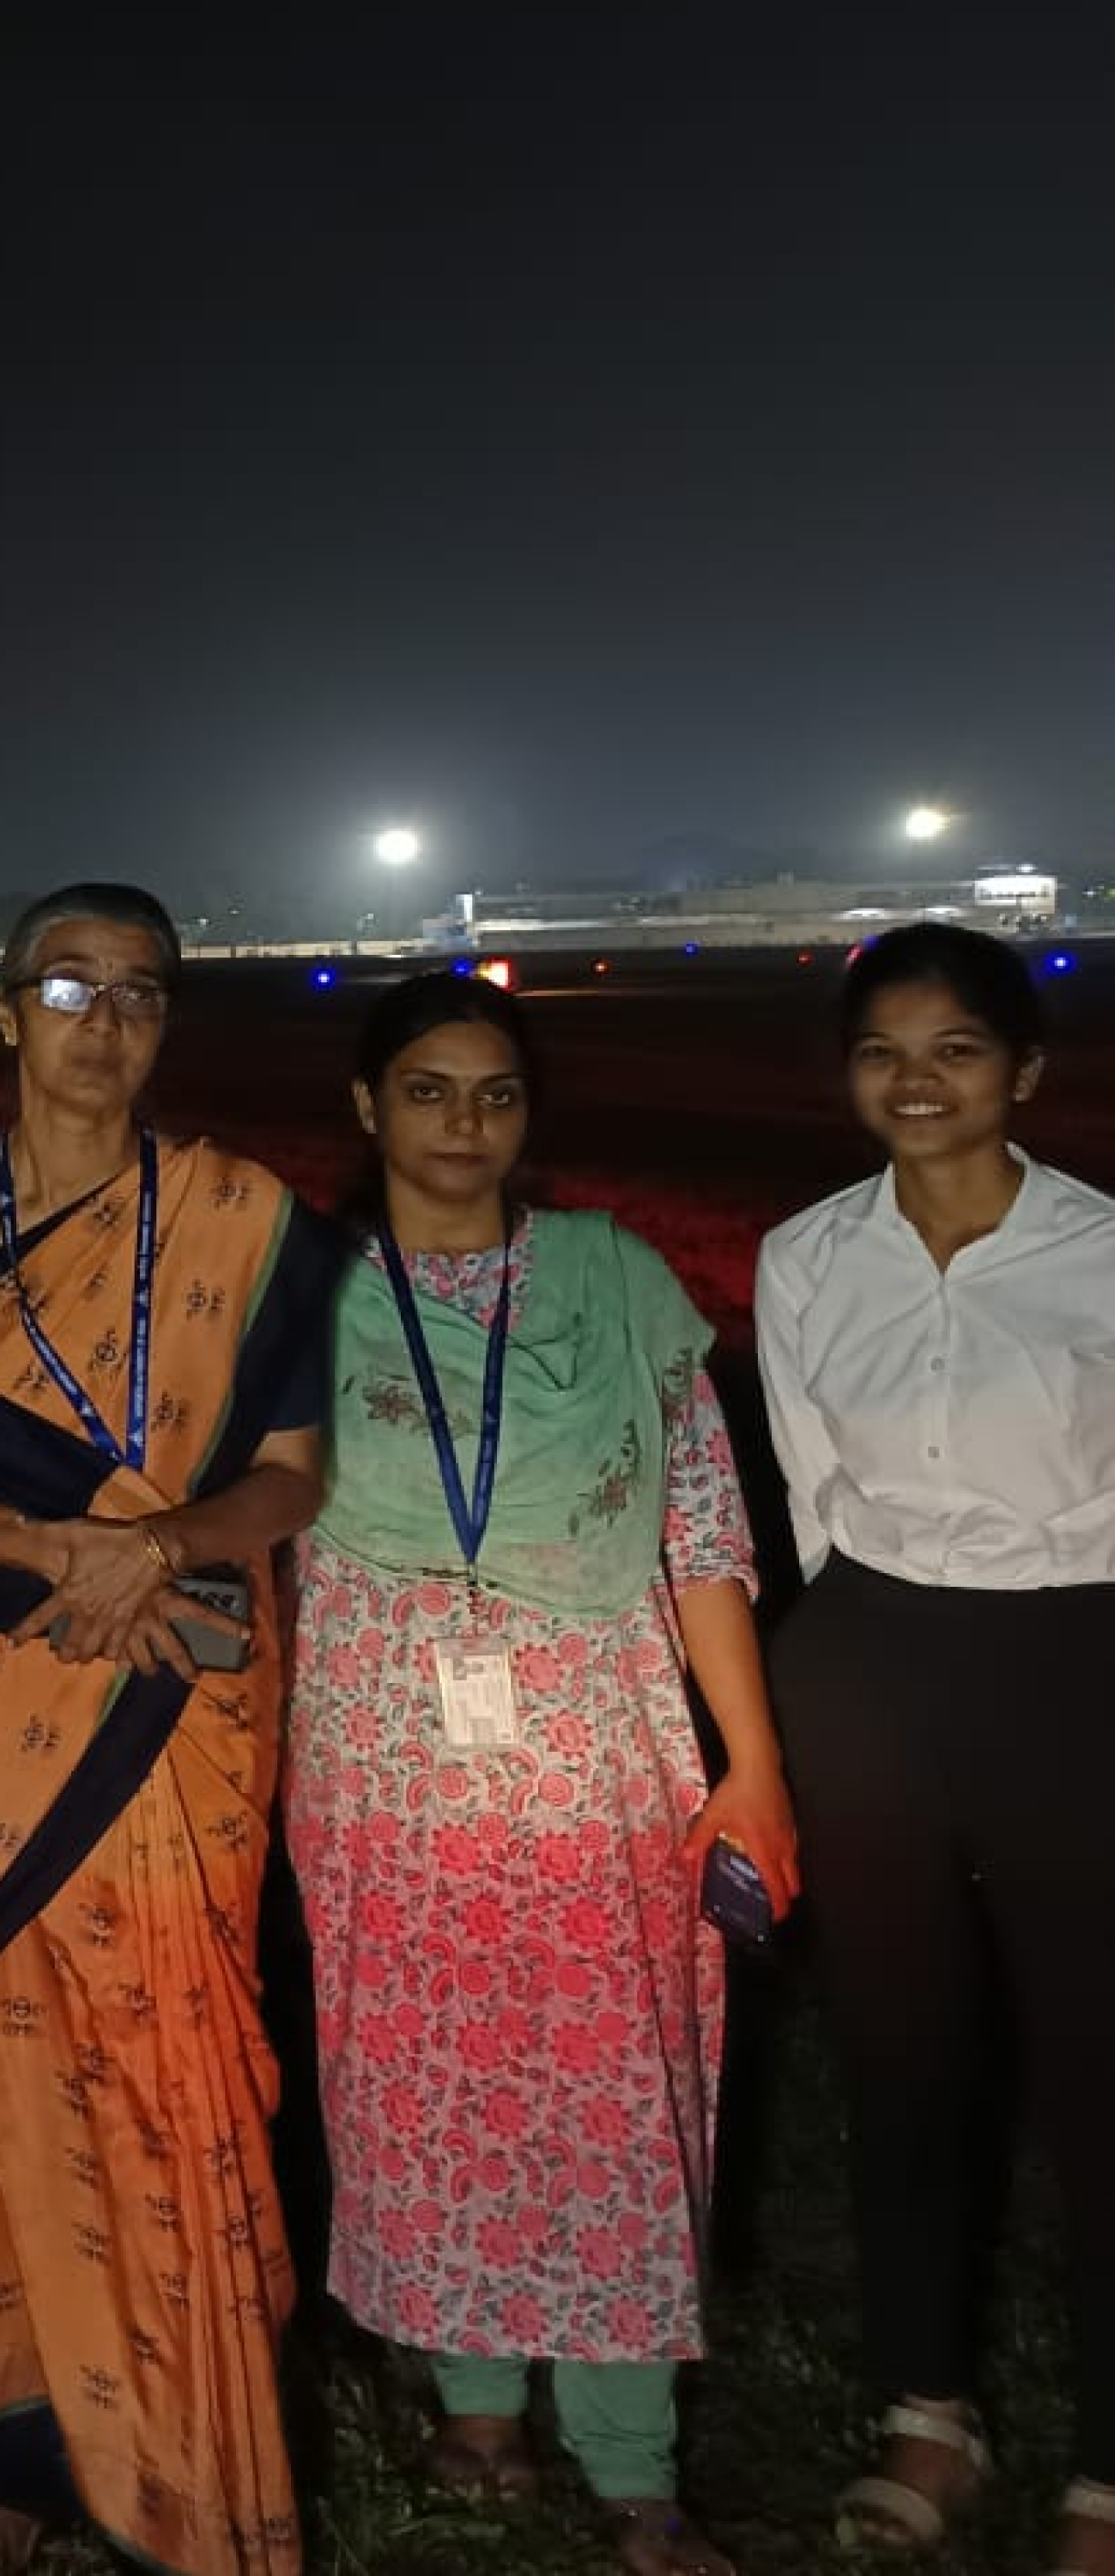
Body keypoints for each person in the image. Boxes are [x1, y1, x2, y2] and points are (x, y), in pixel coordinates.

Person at [0, 883, 336, 2573]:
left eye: (140, 992)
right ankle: (19, 2439)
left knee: (174, 2046)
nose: (104, 1021)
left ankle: (190, 2442)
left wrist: (159, 1550)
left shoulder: (247, 1216)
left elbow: (292, 1470)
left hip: (182, 1680)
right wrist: (66, 1551)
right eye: (69, 985)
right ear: (5, 1009)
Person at [288, 970, 794, 2576]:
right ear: (368, 1110)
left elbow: (703, 1528)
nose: (463, 1123)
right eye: (428, 1090)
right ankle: (477, 2398)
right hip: (377, 1746)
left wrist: (753, 1762)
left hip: (595, 1742)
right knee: (420, 2079)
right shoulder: (296, 1288)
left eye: (495, 1093)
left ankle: (633, 2455)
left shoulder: (613, 1279)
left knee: (609, 2085)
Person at [755, 924, 1115, 2575]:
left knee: (1097, 2067)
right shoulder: (808, 1258)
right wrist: (857, 1665)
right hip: (875, 1663)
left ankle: (1107, 2474)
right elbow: (811, 1490)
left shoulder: (1103, 1253)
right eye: (884, 1050)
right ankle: (928, 2416)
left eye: (957, 1048)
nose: (917, 1079)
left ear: (1024, 1073)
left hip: (1076, 1659)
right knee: (902, 2057)